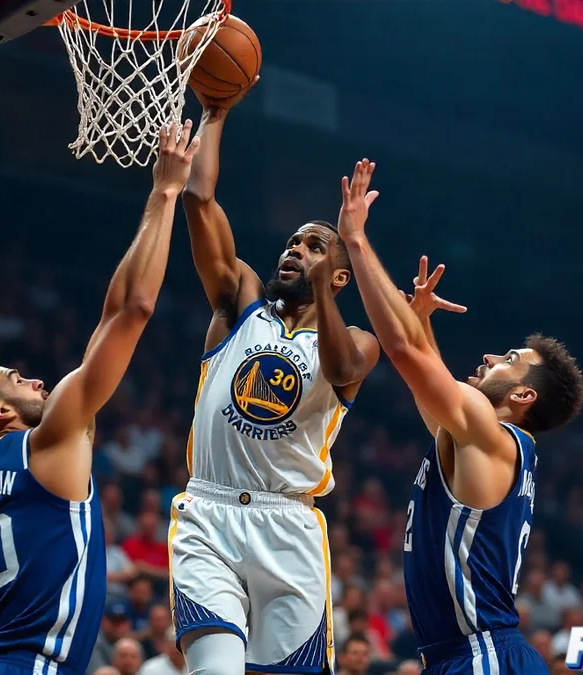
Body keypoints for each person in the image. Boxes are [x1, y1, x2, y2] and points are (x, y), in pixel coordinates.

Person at [0, 122, 201, 675]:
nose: (37, 382)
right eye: (17, 380)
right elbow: (133, 309)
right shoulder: (50, 440)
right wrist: (165, 192)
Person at [335, 160, 583, 674]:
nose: (494, 357)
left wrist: (356, 240)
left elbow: (403, 351)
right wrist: (424, 323)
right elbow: (434, 393)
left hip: (483, 655)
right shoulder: (478, 440)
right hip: (463, 655)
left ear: (522, 396)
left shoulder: (490, 435)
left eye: (510, 360)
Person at [171, 92, 380, 674]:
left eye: (314, 246)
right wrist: (215, 115)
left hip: (288, 526)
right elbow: (200, 198)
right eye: (292, 242)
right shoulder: (240, 300)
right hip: (209, 513)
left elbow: (342, 374)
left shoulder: (360, 340)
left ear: (340, 276)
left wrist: (319, 289)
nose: (295, 250)